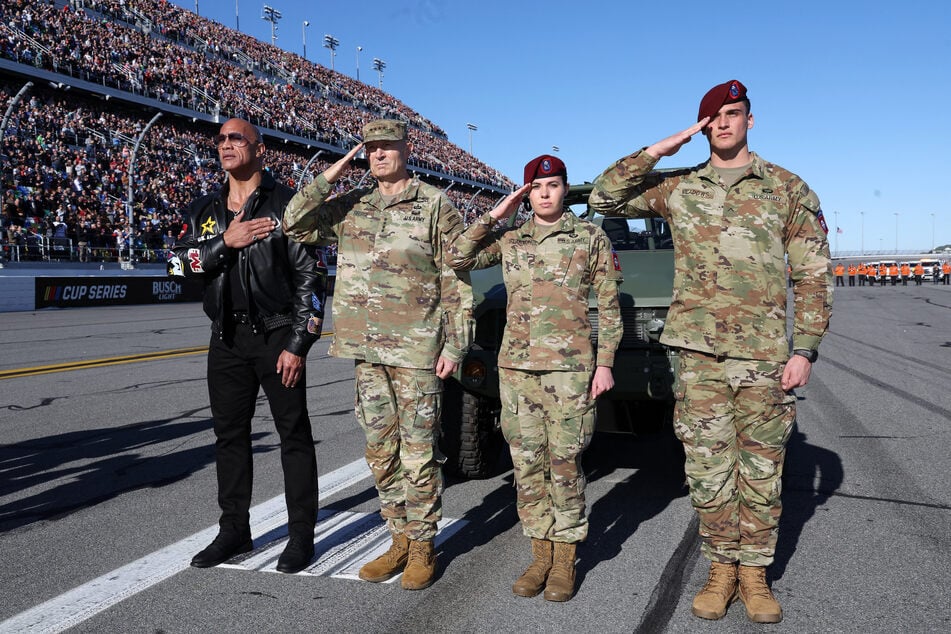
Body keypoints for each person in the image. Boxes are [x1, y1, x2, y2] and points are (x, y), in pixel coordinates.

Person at [589, 79, 832, 624]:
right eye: (713, 117)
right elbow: (604, 196)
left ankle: (755, 573)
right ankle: (722, 567)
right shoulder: (678, 187)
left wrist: (806, 349)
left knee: (763, 471)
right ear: (702, 127)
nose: (724, 124)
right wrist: (660, 149)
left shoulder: (787, 188)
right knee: (707, 470)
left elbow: (814, 275)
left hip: (763, 355)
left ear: (750, 119)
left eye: (734, 113)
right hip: (697, 357)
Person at [282, 119, 474, 591]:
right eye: (371, 149)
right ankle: (399, 539)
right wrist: (330, 177)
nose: (379, 155)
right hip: (365, 350)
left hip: (416, 350)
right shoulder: (354, 207)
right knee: (380, 450)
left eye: (387, 147)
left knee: (419, 452)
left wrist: (455, 343)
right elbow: (294, 223)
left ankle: (424, 545)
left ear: (407, 149)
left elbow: (457, 278)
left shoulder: (434, 206)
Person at [448, 155, 622, 602]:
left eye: (552, 184)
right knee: (527, 467)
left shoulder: (589, 237)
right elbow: (457, 257)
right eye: (536, 186)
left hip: (570, 371)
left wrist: (605, 364)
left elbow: (609, 304)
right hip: (517, 372)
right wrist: (494, 215)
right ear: (526, 194)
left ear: (565, 189)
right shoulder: (511, 239)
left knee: (565, 464)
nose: (545, 193)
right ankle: (539, 556)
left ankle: (564, 561)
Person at [168, 118, 326, 574]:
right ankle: (234, 530)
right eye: (220, 139)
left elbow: (311, 280)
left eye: (235, 138)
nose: (225, 145)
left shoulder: (287, 206)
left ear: (260, 149)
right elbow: (176, 266)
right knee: (229, 439)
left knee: (293, 436)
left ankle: (301, 537)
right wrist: (224, 242)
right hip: (226, 339)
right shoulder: (204, 209)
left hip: (278, 337)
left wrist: (298, 343)